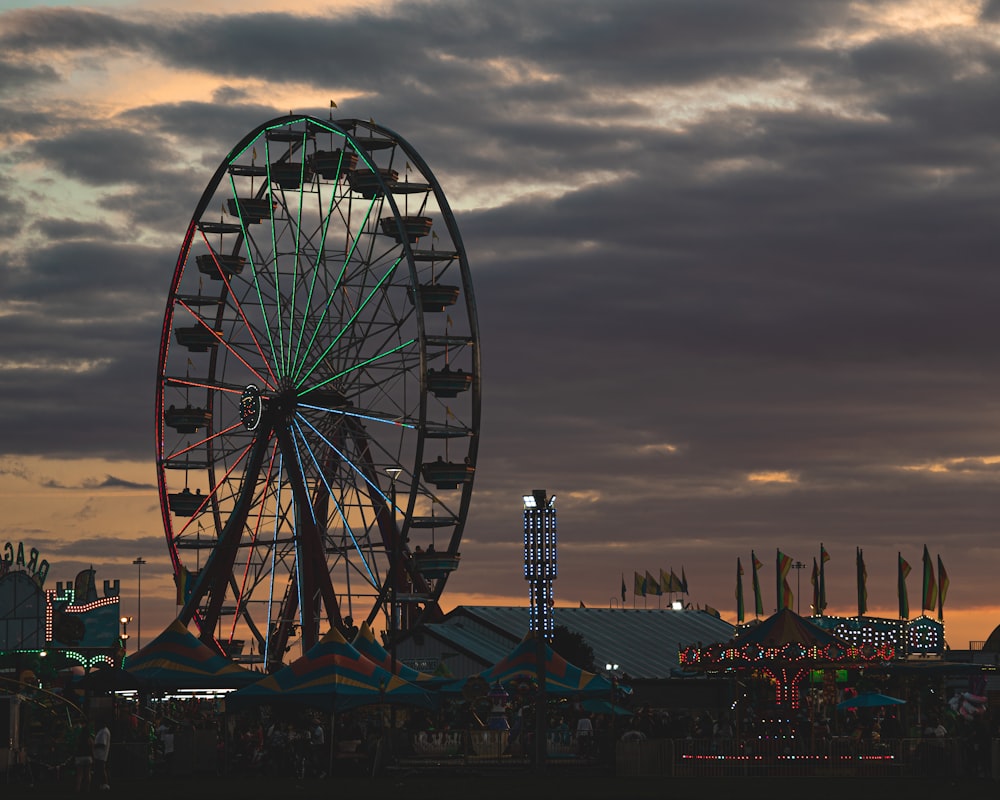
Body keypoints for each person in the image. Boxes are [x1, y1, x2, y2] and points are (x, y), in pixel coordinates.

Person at [73, 724, 93, 793]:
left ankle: (77, 788)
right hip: (88, 757)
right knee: (88, 774)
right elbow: (92, 748)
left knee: (79, 774)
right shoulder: (89, 739)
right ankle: (87, 789)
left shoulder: (79, 738)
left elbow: (76, 748)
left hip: (79, 757)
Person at [93, 720, 111, 789]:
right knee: (101, 769)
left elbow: (103, 744)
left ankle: (105, 784)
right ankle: (102, 783)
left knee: (102, 769)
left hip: (101, 754)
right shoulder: (103, 731)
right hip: (100, 754)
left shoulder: (104, 731)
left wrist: (94, 745)